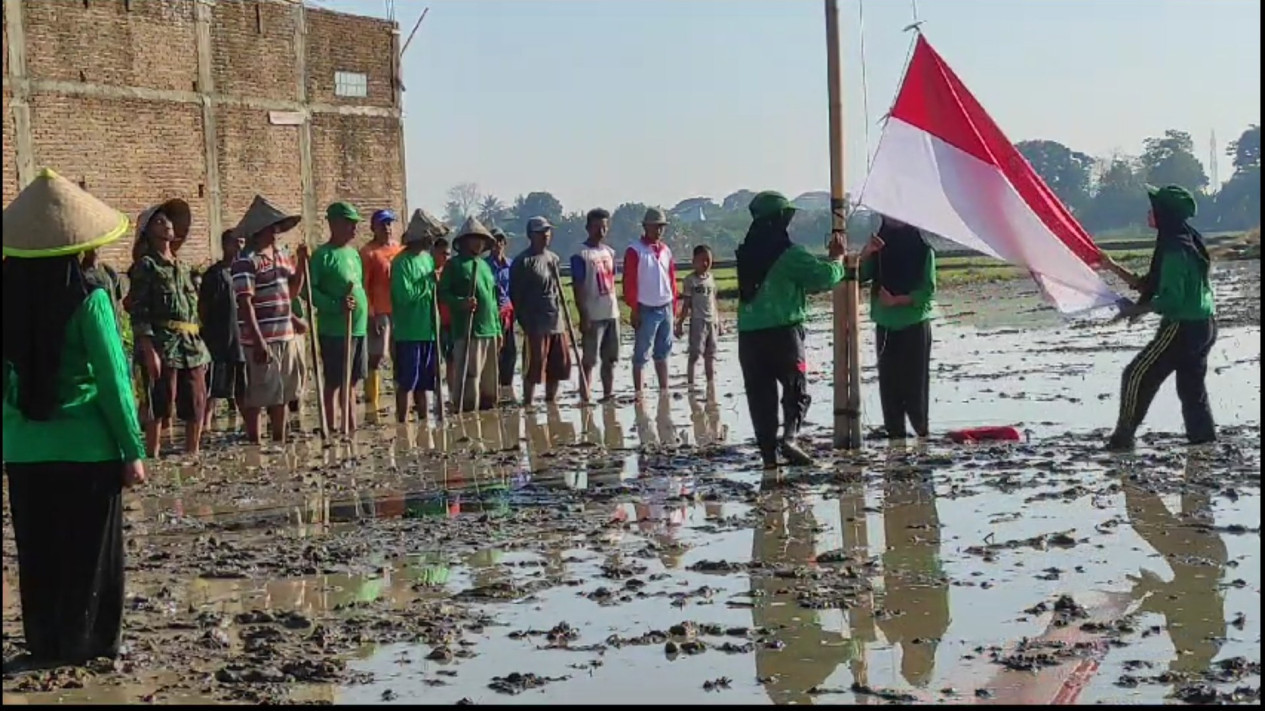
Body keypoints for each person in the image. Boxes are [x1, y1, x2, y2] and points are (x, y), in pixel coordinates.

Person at [2, 168, 146, 666]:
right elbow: (113, 381)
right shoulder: (89, 297)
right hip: (88, 449)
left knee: (39, 554)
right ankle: (88, 643)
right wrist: (132, 450)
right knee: (90, 556)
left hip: (23, 449)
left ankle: (45, 643)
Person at [1098, 184, 1217, 451]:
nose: (1149, 212)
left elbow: (1170, 301)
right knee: (1190, 388)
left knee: (1135, 374)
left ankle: (1122, 438)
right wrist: (1110, 266)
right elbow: (1149, 285)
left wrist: (1133, 310)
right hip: (1205, 325)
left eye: (1154, 208)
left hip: (1182, 327)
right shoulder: (1186, 240)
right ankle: (1204, 442)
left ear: (1164, 213)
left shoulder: (1175, 250)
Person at [735, 191, 846, 469]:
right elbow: (823, 277)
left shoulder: (745, 252)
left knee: (760, 398)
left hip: (749, 336)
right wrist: (838, 259)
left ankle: (769, 457)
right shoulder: (789, 253)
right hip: (783, 332)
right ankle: (790, 437)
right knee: (796, 388)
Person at [129, 198, 211, 457]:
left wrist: (203, 346)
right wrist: (148, 348)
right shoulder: (147, 266)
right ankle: (152, 454)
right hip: (163, 343)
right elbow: (139, 309)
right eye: (159, 221)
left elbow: (194, 309)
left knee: (196, 401)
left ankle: (192, 453)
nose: (167, 225)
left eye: (168, 220)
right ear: (149, 231)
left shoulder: (184, 268)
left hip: (192, 344)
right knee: (159, 402)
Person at [230, 196, 309, 443]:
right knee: (258, 393)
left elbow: (291, 292)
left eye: (277, 228)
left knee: (282, 393)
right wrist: (258, 340)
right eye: (271, 228)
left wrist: (302, 266)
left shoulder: (281, 255)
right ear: (259, 231)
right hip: (262, 337)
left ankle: (279, 437)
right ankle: (254, 439)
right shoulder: (246, 261)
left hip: (284, 333)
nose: (276, 233)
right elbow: (245, 303)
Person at [855, 216, 937, 439]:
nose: (892, 222)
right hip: (885, 323)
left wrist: (897, 300)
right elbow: (858, 276)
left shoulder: (924, 252)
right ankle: (895, 433)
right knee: (889, 382)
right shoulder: (878, 249)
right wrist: (867, 252)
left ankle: (922, 432)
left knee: (915, 382)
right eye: (888, 218)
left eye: (897, 218)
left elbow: (927, 292)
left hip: (914, 323)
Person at [309, 202, 369, 435]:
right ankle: (331, 425)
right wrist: (336, 306)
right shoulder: (322, 256)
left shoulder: (354, 254)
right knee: (335, 380)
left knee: (353, 380)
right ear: (334, 224)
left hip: (358, 327)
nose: (353, 229)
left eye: (354, 225)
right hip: (335, 330)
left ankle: (351, 424)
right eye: (348, 224)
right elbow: (310, 292)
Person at [390, 209, 448, 422]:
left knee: (425, 384)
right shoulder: (401, 263)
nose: (431, 242)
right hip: (408, 332)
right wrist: (428, 282)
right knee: (407, 382)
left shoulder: (427, 259)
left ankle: (425, 422)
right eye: (428, 238)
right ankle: (402, 422)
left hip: (429, 330)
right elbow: (404, 296)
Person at [439, 217, 501, 413]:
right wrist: (461, 303)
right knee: (470, 376)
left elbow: (492, 300)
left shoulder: (484, 266)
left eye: (481, 239)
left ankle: (487, 420)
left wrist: (498, 329)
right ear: (464, 241)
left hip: (488, 329)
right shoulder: (454, 265)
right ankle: (467, 416)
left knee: (490, 381)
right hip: (468, 330)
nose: (478, 243)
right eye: (474, 239)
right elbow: (443, 293)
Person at [510, 216, 572, 406]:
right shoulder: (523, 261)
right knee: (534, 366)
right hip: (535, 322)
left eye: (547, 231)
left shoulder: (553, 259)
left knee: (557, 366)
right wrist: (525, 322)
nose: (545, 235)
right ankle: (528, 402)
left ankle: (550, 402)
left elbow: (557, 289)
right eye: (540, 232)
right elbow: (516, 296)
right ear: (531, 235)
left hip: (556, 320)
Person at [622, 208, 678, 397]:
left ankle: (664, 389)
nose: (658, 230)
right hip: (646, 307)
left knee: (663, 351)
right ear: (646, 226)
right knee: (641, 354)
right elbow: (629, 282)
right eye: (655, 226)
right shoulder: (635, 250)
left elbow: (671, 279)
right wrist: (634, 307)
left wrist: (674, 307)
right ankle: (640, 393)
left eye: (661, 226)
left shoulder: (666, 250)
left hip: (666, 305)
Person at [199, 229, 247, 430]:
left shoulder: (243, 272)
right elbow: (203, 308)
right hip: (218, 340)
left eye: (243, 243)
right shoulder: (214, 275)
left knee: (242, 387)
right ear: (225, 245)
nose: (240, 247)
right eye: (236, 243)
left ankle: (248, 426)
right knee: (212, 390)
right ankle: (204, 427)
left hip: (241, 341)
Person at [571, 208, 620, 402]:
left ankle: (608, 393)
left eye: (604, 227)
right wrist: (583, 314)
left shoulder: (609, 252)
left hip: (611, 312)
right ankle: (586, 396)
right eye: (597, 227)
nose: (601, 231)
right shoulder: (581, 254)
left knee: (610, 358)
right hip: (593, 314)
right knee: (589, 359)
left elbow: (612, 280)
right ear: (588, 228)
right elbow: (578, 286)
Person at [360, 209, 402, 420]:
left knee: (399, 356)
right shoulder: (368, 252)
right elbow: (363, 286)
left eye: (389, 224)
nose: (386, 228)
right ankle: (372, 403)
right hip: (380, 311)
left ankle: (400, 399)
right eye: (382, 224)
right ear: (373, 228)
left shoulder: (399, 250)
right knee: (376, 356)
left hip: (400, 311)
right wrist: (370, 312)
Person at [676, 244, 721, 388]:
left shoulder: (711, 279)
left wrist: (719, 322)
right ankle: (691, 383)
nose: (705, 264)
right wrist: (680, 323)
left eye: (708, 260)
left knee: (710, 355)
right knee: (695, 354)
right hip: (698, 321)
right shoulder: (690, 280)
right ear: (693, 261)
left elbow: (713, 301)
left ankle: (710, 384)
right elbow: (686, 304)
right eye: (702, 260)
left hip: (711, 320)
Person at [487, 228, 516, 402]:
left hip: (508, 312)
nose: (497, 244)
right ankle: (494, 388)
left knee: (510, 351)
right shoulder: (484, 266)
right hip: (491, 313)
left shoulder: (511, 265)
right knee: (494, 351)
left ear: (505, 243)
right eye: (494, 241)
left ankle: (507, 387)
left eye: (500, 241)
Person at [432, 236, 455, 391]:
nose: (445, 258)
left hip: (451, 322)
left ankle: (452, 391)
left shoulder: (452, 273)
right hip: (435, 323)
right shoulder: (430, 273)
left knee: (452, 359)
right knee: (435, 360)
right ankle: (437, 392)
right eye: (442, 254)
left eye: (447, 254)